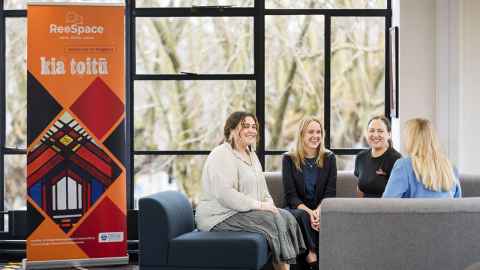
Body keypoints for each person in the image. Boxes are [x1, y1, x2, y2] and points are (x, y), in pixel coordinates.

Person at [195, 111, 306, 270]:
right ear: (232, 130)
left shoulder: (251, 154)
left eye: (254, 126)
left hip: (243, 211)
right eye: (245, 126)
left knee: (286, 216)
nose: (252, 130)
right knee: (273, 220)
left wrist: (269, 204)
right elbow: (225, 194)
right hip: (220, 216)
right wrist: (261, 206)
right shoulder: (221, 154)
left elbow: (263, 189)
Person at [282, 116, 337, 268]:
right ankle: (313, 255)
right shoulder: (289, 159)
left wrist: (318, 211)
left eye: (318, 132)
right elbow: (290, 195)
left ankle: (310, 258)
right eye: (311, 132)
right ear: (302, 135)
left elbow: (330, 193)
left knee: (315, 217)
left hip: (321, 208)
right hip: (297, 209)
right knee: (303, 216)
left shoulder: (329, 158)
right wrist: (310, 212)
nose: (315, 136)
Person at [382, 118, 462, 198]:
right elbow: (457, 204)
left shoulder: (404, 166)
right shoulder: (450, 167)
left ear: (410, 140)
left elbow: (387, 204)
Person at [354, 115, 402, 197]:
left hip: (386, 208)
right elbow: (359, 189)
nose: (375, 135)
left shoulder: (396, 160)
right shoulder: (360, 157)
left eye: (380, 131)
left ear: (389, 134)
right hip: (363, 208)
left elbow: (398, 194)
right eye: (371, 131)